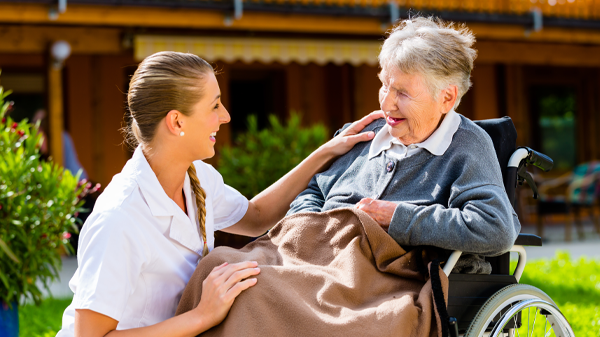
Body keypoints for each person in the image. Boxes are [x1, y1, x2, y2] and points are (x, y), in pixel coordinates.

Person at [57, 51, 382, 336]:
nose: (225, 116)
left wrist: (326, 152)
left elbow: (255, 217)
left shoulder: (197, 177)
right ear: (176, 122)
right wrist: (203, 316)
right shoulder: (119, 219)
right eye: (214, 105)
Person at [288, 17, 520, 265]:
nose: (386, 104)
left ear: (447, 98)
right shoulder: (361, 135)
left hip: (377, 282)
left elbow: (496, 228)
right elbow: (313, 191)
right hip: (311, 259)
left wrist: (397, 218)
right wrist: (309, 229)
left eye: (402, 93)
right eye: (384, 85)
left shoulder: (467, 146)